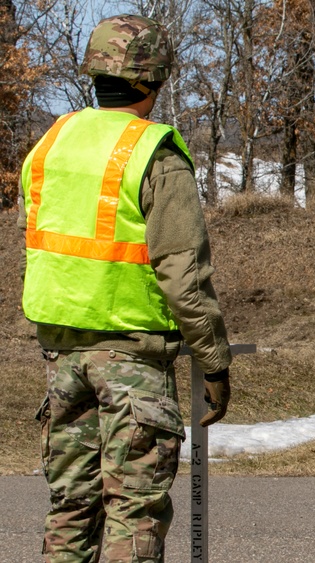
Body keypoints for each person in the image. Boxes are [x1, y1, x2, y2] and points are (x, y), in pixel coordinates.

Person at [17, 14, 233, 562]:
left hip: (61, 357)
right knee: (134, 513)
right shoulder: (155, 153)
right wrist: (214, 361)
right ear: (157, 79)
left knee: (70, 508)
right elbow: (183, 273)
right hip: (133, 362)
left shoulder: (51, 143)